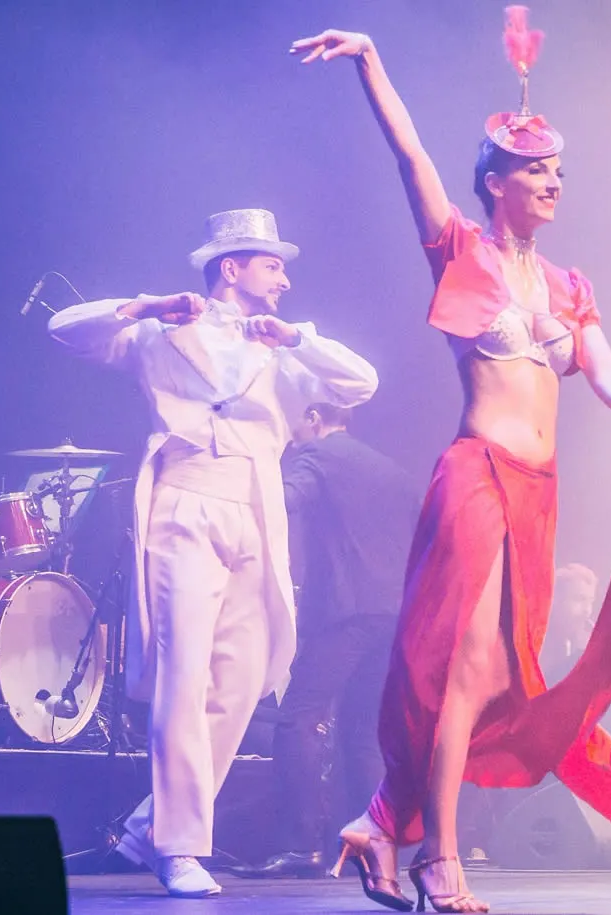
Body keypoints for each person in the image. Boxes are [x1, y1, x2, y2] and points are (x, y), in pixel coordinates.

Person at [294, 12, 611, 912]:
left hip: (539, 494)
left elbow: (606, 372)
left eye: (558, 169)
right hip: (476, 475)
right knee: (468, 663)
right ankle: (442, 855)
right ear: (496, 181)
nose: (554, 181)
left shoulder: (569, 286)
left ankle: (378, 819)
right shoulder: (459, 250)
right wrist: (371, 63)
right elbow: (412, 162)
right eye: (537, 169)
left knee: (502, 675)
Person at [46, 209, 379, 897]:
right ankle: (179, 845)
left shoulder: (286, 349)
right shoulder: (163, 332)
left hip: (256, 510)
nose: (285, 278)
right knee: (185, 673)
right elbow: (65, 330)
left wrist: (300, 338)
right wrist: (146, 305)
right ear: (233, 267)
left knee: (244, 678)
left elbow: (361, 382)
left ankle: (151, 823)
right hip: (186, 500)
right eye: (273, 264)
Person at [233, 403, 421, 878]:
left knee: (297, 721)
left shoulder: (315, 456)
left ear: (313, 415)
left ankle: (300, 846)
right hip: (396, 613)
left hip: (344, 612)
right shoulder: (391, 469)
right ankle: (372, 846)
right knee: (363, 733)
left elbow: (283, 500)